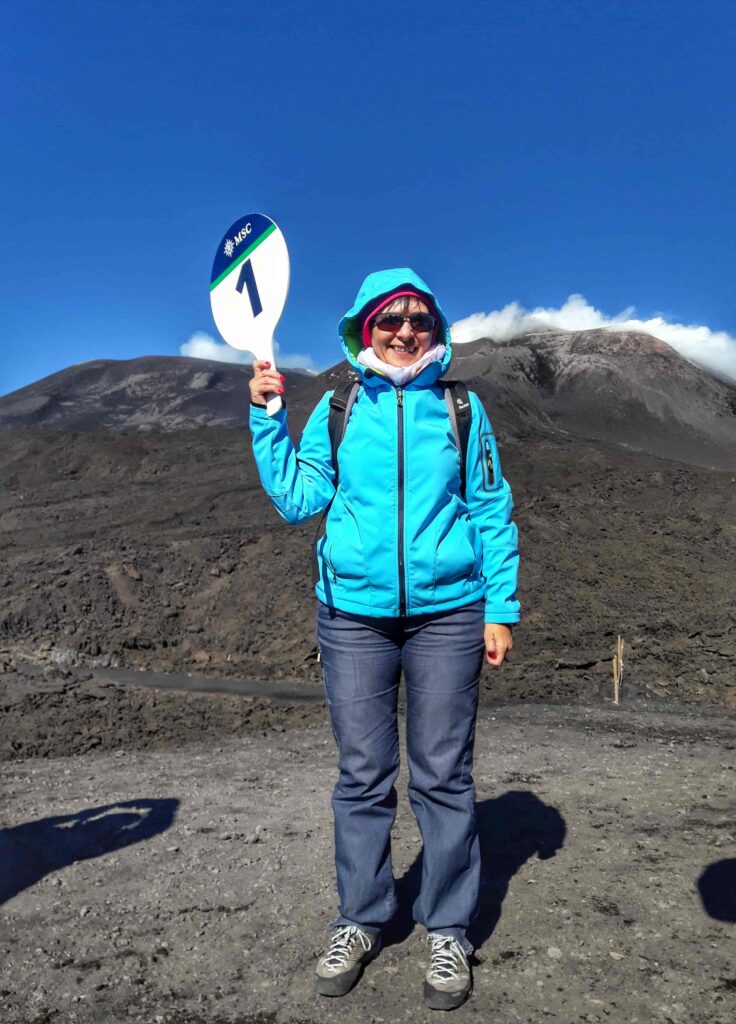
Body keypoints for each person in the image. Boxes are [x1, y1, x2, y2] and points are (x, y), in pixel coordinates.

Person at [248, 268, 520, 1011]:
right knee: (363, 775)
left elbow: (490, 507)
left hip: (448, 613)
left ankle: (448, 929)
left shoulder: (462, 408)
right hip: (353, 617)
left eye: (419, 319)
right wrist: (268, 417)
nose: (405, 331)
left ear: (436, 329)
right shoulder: (337, 407)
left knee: (443, 775)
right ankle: (362, 917)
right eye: (389, 319)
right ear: (363, 329)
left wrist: (501, 608)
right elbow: (297, 500)